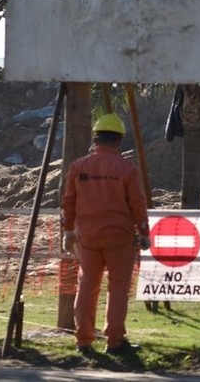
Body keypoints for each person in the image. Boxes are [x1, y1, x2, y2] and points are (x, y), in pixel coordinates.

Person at [61, 113, 151, 356]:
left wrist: (68, 232)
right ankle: (114, 342)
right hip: (119, 237)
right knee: (118, 288)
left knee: (87, 286)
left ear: (95, 139)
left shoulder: (78, 167)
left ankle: (83, 341)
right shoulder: (127, 169)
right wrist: (144, 232)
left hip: (87, 237)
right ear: (119, 141)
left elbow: (68, 202)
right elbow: (137, 203)